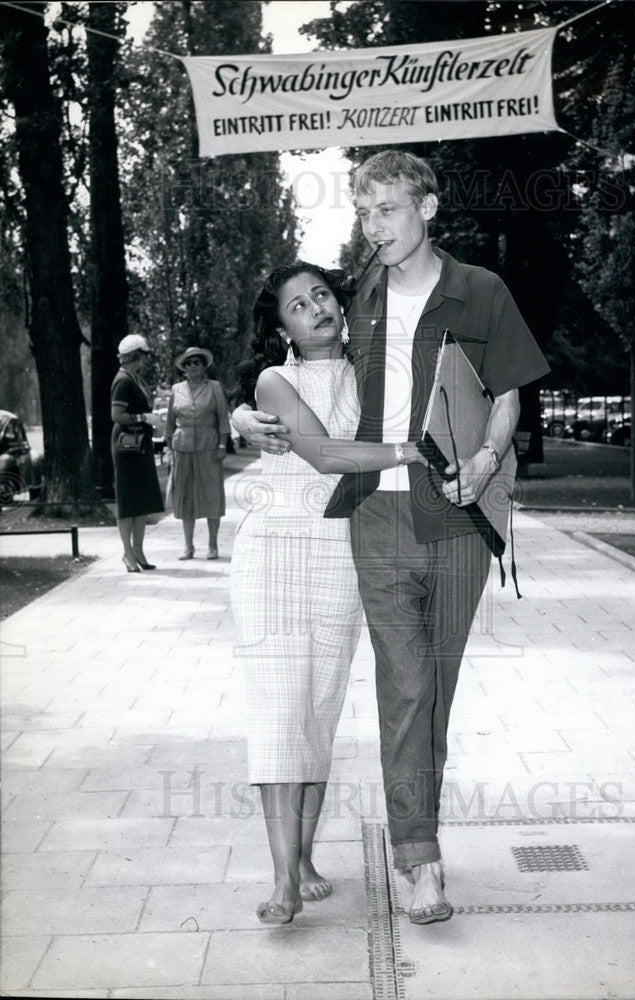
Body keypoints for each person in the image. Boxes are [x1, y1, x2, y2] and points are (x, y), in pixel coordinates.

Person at [233, 150, 550, 925]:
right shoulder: (362, 291)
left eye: (389, 211)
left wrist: (481, 460)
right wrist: (246, 416)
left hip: (459, 520)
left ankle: (415, 838)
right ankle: (421, 862)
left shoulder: (481, 291)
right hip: (375, 518)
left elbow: (509, 395)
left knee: (432, 689)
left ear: (428, 209)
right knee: (404, 686)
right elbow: (294, 364)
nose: (374, 228)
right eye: (364, 213)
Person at [230, 261, 427, 925]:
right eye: (296, 304)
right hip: (273, 554)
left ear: (340, 307)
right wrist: (411, 451)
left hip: (343, 555)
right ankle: (283, 879)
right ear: (280, 324)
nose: (314, 308)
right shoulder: (273, 379)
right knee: (279, 706)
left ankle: (307, 857)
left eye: (321, 295)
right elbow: (326, 454)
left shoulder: (373, 377)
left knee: (318, 708)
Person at [165, 347, 230, 560]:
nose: (193, 366)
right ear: (183, 368)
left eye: (197, 362)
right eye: (188, 363)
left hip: (209, 448)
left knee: (211, 495)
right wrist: (169, 448)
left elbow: (222, 419)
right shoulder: (176, 390)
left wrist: (222, 445)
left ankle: (212, 545)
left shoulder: (214, 387)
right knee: (185, 498)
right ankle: (188, 546)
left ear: (204, 366)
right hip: (182, 448)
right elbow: (170, 423)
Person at [111, 334, 164, 572]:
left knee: (140, 500)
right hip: (127, 444)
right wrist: (143, 417)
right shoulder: (123, 380)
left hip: (140, 443)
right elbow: (117, 416)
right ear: (135, 355)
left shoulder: (135, 378)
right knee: (128, 499)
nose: (144, 359)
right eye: (142, 355)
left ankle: (139, 550)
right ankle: (127, 553)